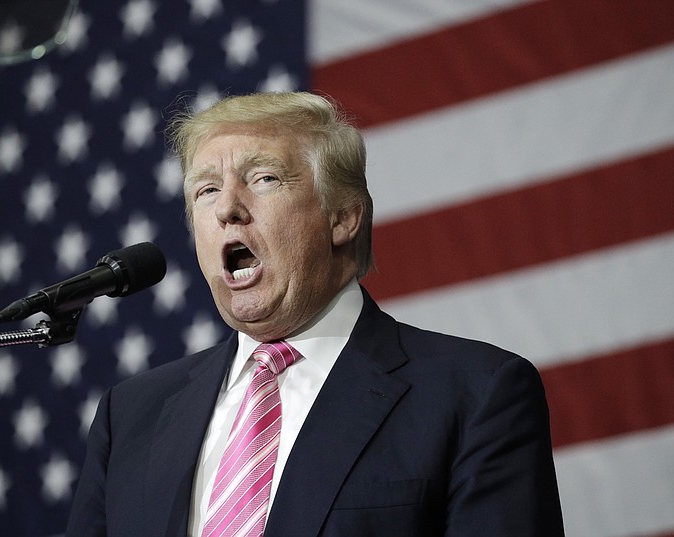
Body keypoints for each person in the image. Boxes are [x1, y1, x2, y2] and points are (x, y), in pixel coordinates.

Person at [65, 92, 565, 536]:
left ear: (343, 216)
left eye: (263, 178)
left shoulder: (475, 393)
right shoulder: (131, 414)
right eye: (206, 190)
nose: (227, 210)